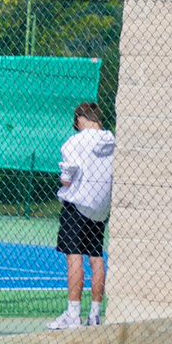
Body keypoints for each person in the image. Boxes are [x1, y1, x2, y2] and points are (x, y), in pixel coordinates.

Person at [48, 102, 116, 330]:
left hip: (77, 206)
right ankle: (95, 315)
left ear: (80, 119)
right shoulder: (112, 141)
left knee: (74, 256)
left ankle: (73, 314)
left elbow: (67, 180)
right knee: (96, 256)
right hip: (100, 209)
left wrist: (64, 180)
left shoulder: (74, 143)